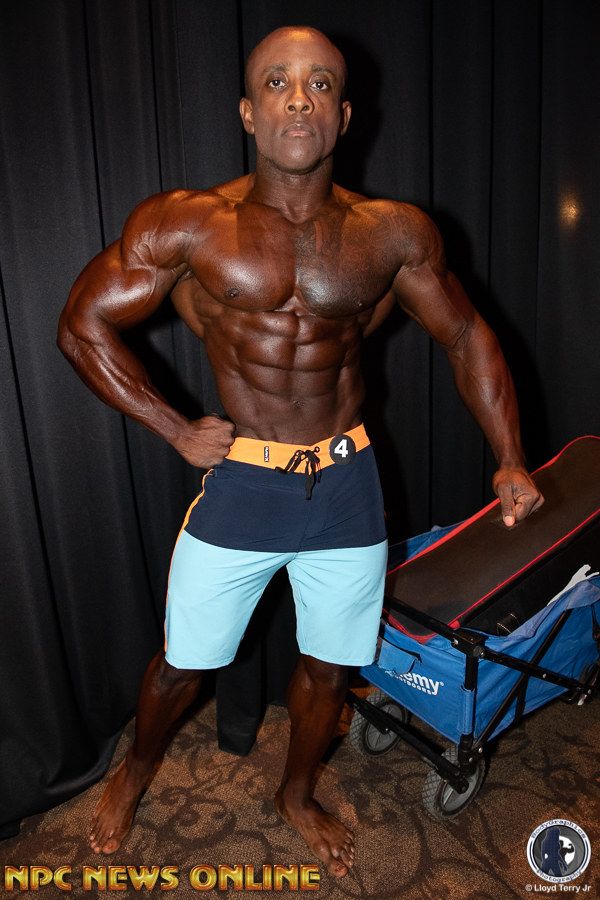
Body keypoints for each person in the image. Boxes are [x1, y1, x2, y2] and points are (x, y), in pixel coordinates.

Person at [57, 25, 543, 878]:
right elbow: (81, 324)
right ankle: (134, 771)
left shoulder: (391, 232)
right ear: (248, 111)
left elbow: (467, 334)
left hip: (347, 484)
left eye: (320, 84)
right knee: (182, 664)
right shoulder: (189, 223)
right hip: (244, 484)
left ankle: (295, 792)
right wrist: (174, 427)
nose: (298, 98)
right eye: (277, 82)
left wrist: (509, 454)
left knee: (328, 666)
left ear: (344, 114)